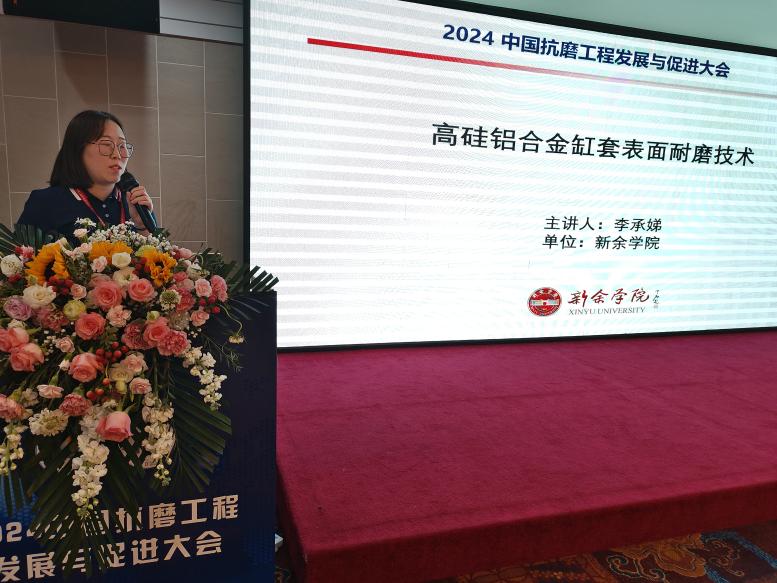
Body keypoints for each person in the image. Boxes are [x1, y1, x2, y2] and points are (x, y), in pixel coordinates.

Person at [17, 110, 157, 241]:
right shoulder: (45, 202)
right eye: (106, 144)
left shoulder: (135, 202)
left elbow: (159, 257)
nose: (117, 154)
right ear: (78, 149)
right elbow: (19, 256)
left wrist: (142, 226)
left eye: (122, 146)